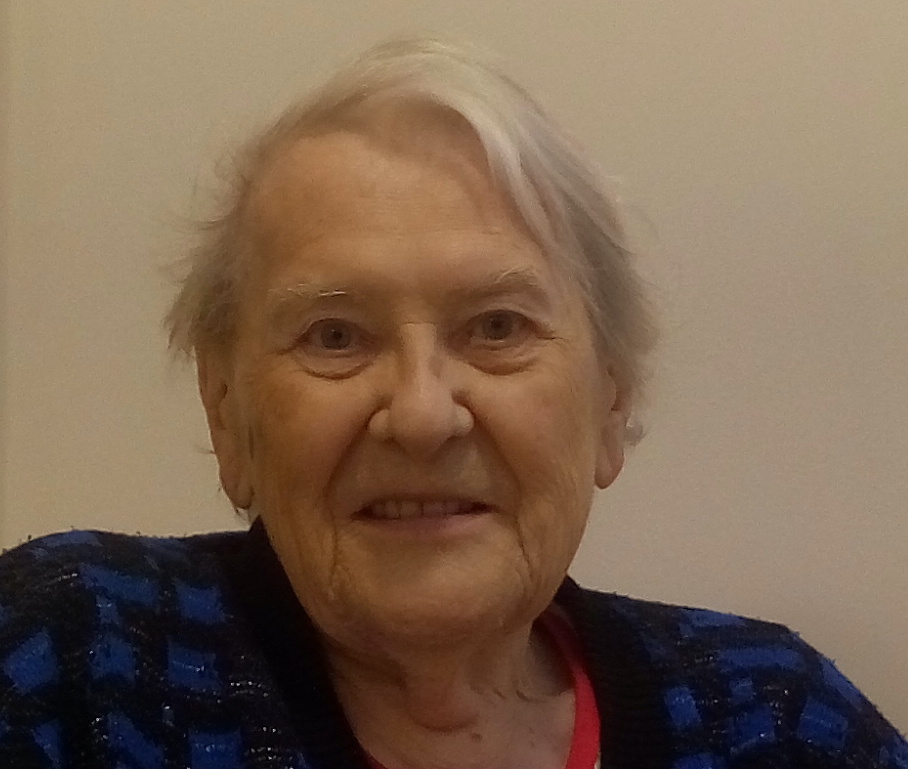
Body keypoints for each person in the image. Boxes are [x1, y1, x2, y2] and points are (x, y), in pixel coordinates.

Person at [0, 38, 904, 769]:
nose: (423, 415)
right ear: (226, 409)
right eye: (335, 336)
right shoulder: (77, 659)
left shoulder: (776, 717)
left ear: (610, 401)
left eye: (497, 327)